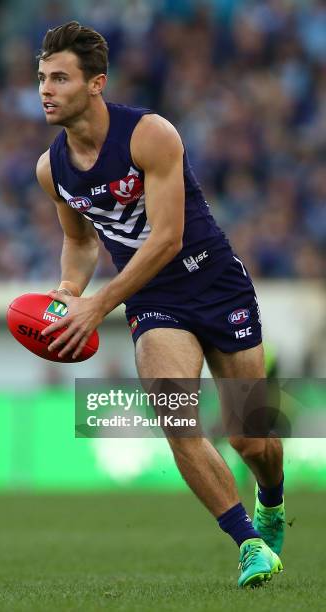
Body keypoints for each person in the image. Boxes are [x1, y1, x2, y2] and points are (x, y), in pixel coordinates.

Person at [36, 21, 285, 588]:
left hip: (216, 283)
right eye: (42, 78)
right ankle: (248, 543)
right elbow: (79, 244)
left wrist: (96, 306)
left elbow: (167, 238)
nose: (45, 90)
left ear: (96, 83)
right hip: (152, 301)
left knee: (253, 438)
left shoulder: (151, 135)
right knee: (179, 423)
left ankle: (271, 500)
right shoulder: (51, 169)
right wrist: (70, 292)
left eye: (60, 78)